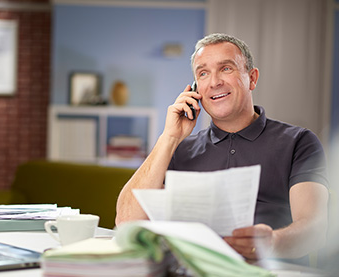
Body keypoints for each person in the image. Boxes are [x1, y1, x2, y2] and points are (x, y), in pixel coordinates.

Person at [115, 33, 329, 264]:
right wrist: (169, 137)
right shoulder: (178, 149)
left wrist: (271, 242)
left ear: (252, 78)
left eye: (226, 68)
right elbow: (126, 221)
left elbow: (314, 230)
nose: (214, 82)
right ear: (196, 89)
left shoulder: (299, 142)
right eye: (203, 73)